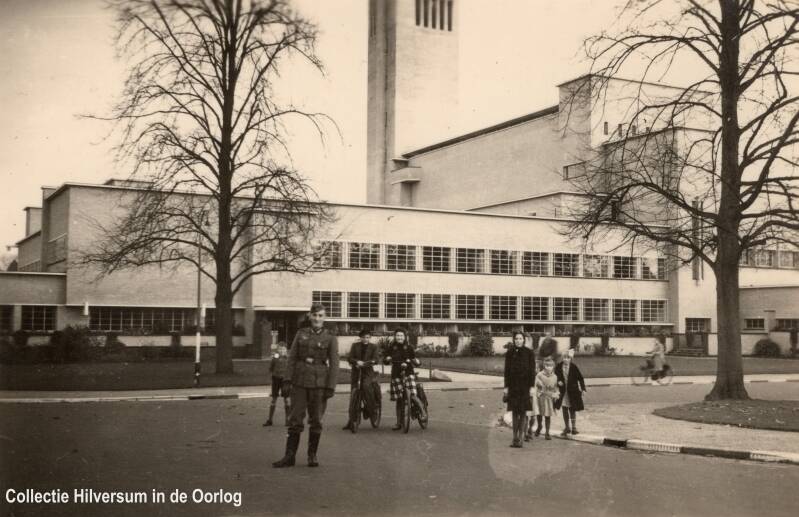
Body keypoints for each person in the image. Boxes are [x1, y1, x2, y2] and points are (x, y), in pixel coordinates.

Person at [272, 303, 338, 468]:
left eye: (320, 315)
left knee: (316, 420)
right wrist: (287, 380)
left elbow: (335, 363)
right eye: (314, 315)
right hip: (300, 382)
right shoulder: (301, 334)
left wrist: (330, 386)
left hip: (319, 383)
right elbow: (292, 358)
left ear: (324, 317)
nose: (317, 319)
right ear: (310, 316)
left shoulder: (330, 337)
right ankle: (289, 456)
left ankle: (312, 455)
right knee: (295, 419)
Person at [383, 328, 425, 430]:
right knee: (399, 400)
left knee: (413, 395)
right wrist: (387, 359)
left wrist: (413, 362)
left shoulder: (409, 347)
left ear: (405, 337)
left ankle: (423, 413)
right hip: (396, 374)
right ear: (395, 336)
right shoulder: (391, 347)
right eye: (397, 335)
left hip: (408, 372)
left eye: (401, 336)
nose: (399, 337)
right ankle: (399, 423)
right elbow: (386, 360)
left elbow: (414, 359)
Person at [343, 329, 381, 431]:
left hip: (368, 372)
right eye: (364, 337)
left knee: (366, 387)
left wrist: (367, 363)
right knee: (353, 395)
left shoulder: (373, 347)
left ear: (370, 338)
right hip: (356, 372)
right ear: (360, 337)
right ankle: (351, 421)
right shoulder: (355, 346)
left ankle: (372, 412)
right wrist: (356, 362)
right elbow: (350, 358)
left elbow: (376, 359)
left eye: (368, 337)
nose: (366, 339)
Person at [503, 331, 535, 448]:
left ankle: (521, 438)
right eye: (516, 338)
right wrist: (506, 387)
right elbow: (506, 371)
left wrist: (531, 387)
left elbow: (532, 371)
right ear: (513, 340)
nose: (518, 340)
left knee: (522, 412)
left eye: (520, 338)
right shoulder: (510, 353)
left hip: (525, 387)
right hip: (513, 387)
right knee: (514, 413)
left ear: (523, 340)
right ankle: (514, 438)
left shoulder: (529, 353)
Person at [554, 349, 587, 436]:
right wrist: (558, 382)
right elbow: (554, 376)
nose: (566, 359)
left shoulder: (573, 367)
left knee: (572, 409)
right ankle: (567, 427)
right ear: (562, 358)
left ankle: (574, 427)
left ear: (571, 359)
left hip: (573, 391)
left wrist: (583, 389)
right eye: (564, 357)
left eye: (568, 358)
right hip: (563, 391)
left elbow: (580, 378)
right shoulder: (558, 366)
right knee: (564, 408)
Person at [263, 342, 290, 427]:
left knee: (286, 399)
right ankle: (270, 420)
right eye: (280, 349)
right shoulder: (275, 358)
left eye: (283, 349)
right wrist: (272, 375)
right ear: (277, 350)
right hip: (276, 379)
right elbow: (271, 368)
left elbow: (291, 369)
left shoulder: (289, 358)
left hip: (285, 380)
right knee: (274, 399)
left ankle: (287, 420)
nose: (281, 351)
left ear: (286, 350)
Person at [534, 357, 559, 440]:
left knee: (548, 415)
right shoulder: (540, 375)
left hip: (549, 398)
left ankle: (547, 432)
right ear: (544, 366)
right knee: (540, 413)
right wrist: (539, 385)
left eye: (551, 365)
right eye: (547, 365)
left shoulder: (555, 377)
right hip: (541, 396)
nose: (549, 367)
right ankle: (539, 426)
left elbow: (555, 388)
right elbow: (536, 385)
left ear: (553, 366)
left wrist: (556, 394)